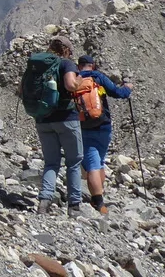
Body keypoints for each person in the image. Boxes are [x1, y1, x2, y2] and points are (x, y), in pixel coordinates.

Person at [33, 36, 84, 215]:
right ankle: (74, 206)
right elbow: (71, 85)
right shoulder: (66, 64)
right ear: (67, 50)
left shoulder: (39, 65)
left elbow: (22, 90)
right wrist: (80, 81)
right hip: (67, 118)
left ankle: (44, 203)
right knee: (74, 162)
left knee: (51, 163)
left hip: (43, 120)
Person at [76, 55, 133, 214]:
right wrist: (128, 87)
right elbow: (118, 93)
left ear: (79, 66)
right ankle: (99, 198)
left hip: (85, 127)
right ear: (92, 65)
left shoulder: (75, 79)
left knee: (92, 163)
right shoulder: (98, 77)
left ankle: (98, 202)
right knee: (99, 160)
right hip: (104, 125)